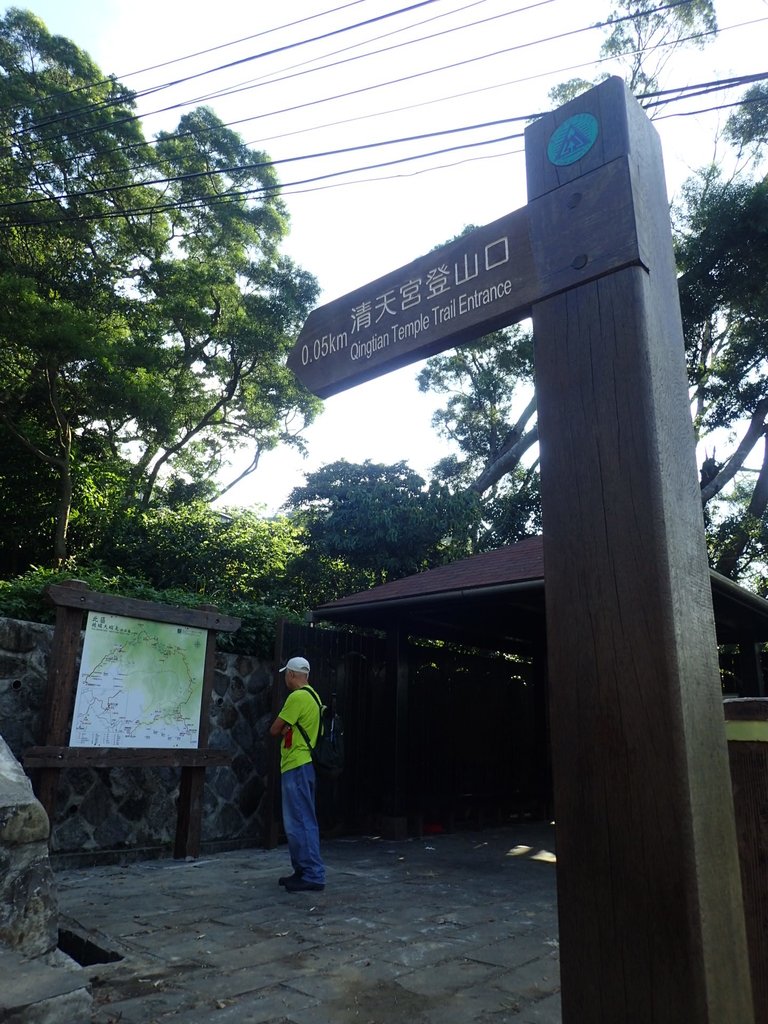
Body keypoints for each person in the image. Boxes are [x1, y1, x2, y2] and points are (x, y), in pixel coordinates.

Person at [269, 656, 326, 892]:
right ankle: (302, 871)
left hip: (295, 764)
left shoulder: (297, 697)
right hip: (305, 764)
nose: (285, 678)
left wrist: (284, 728)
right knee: (302, 819)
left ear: (292, 674)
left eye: (286, 674)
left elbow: (274, 729)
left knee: (300, 821)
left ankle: (312, 873)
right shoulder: (314, 696)